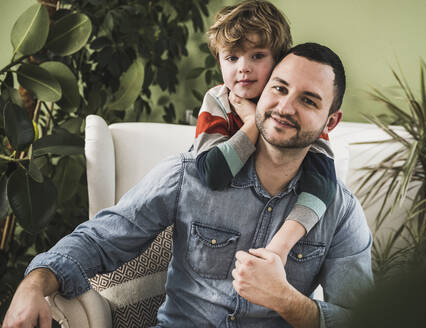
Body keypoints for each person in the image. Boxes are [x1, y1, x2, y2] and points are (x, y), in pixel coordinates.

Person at [2, 43, 373, 328]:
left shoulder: (339, 211)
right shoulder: (189, 174)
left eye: (308, 100)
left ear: (331, 120)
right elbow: (100, 239)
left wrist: (285, 299)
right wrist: (34, 284)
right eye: (279, 88)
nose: (285, 107)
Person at [194, 0, 337, 266]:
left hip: (280, 231)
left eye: (257, 56)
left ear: (279, 61)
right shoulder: (218, 102)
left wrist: (280, 247)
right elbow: (211, 173)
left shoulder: (298, 116)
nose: (243, 67)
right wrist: (253, 122)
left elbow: (323, 184)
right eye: (231, 58)